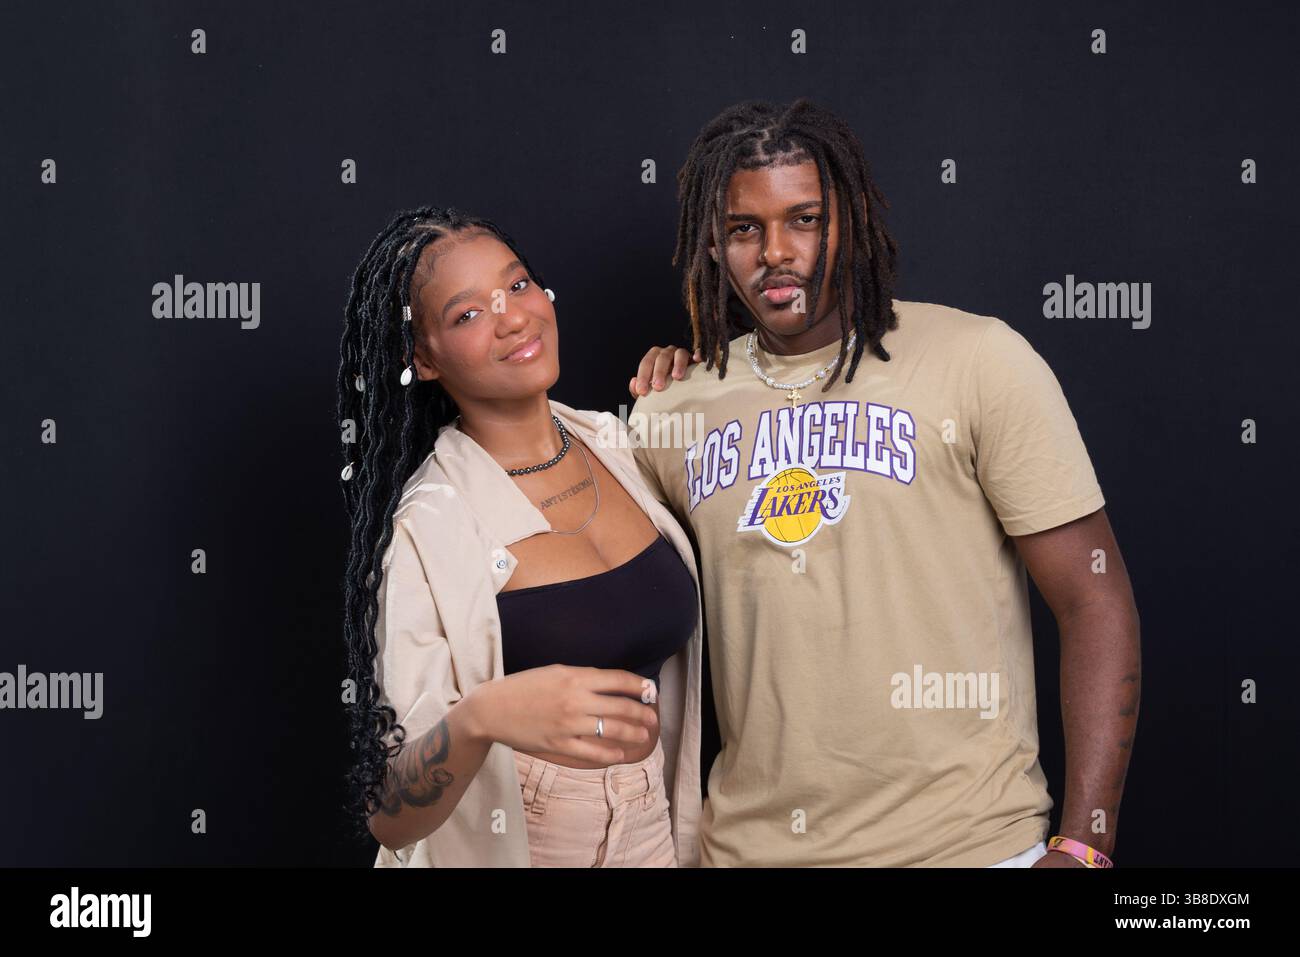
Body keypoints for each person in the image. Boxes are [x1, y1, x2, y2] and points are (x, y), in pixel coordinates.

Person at [626, 99, 1141, 868]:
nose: (776, 252)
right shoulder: (669, 409)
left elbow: (1094, 597)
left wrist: (1086, 844)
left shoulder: (979, 361)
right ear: (712, 242)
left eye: (804, 219)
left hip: (967, 849)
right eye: (744, 228)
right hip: (748, 854)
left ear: (854, 220)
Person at [337, 206, 704, 867]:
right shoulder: (427, 525)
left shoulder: (622, 445)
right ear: (422, 357)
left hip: (654, 833)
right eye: (468, 314)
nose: (512, 317)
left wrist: (695, 386)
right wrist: (485, 714)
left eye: (519, 285)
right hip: (525, 844)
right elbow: (391, 813)